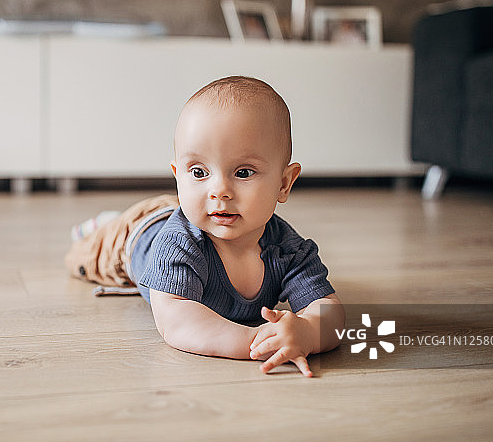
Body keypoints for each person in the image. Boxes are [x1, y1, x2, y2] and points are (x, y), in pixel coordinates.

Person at [65, 76, 345, 377]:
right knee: (83, 256)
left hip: (180, 211)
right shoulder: (177, 245)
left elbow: (330, 310)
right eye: (198, 172)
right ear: (178, 175)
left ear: (284, 183)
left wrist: (307, 331)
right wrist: (254, 341)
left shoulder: (289, 249)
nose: (219, 190)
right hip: (132, 238)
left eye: (243, 172)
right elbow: (176, 321)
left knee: (174, 210)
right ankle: (104, 223)